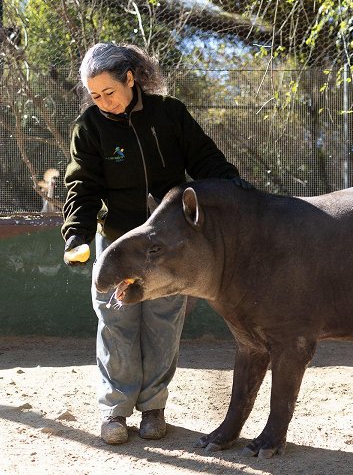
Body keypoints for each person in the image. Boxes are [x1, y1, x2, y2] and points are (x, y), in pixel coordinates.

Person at [61, 42, 252, 445]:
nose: (102, 102)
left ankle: (153, 408)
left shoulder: (170, 114)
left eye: (109, 92)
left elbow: (205, 160)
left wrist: (236, 187)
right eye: (94, 95)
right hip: (118, 241)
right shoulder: (89, 127)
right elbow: (82, 187)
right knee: (117, 323)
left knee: (163, 324)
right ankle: (114, 411)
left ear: (130, 79)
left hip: (169, 248)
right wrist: (76, 232)